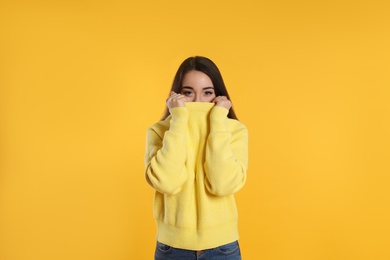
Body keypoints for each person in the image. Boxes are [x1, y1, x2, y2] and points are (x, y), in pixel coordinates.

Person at [144, 56, 248, 259]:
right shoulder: (159, 131)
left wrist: (218, 121)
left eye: (207, 93)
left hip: (223, 247)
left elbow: (222, 185)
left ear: (218, 96)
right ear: (176, 95)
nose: (198, 102)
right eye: (188, 93)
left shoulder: (235, 130)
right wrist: (179, 120)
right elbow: (166, 182)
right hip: (172, 248)